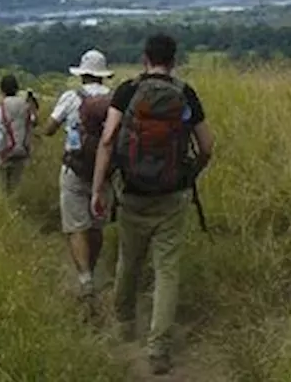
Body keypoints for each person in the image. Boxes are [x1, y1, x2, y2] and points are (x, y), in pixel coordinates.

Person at [91, 33, 216, 375]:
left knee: (128, 262)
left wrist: (98, 189)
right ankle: (158, 349)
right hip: (172, 197)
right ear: (173, 61)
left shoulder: (128, 91)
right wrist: (190, 174)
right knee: (167, 271)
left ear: (145, 58)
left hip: (132, 194)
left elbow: (106, 139)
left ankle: (124, 328)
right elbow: (206, 146)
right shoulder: (185, 94)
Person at [40, 49, 116, 300]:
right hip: (104, 173)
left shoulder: (71, 97)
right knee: (96, 227)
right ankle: (92, 270)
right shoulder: (115, 100)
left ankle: (85, 279)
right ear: (103, 76)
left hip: (74, 169)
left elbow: (49, 129)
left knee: (75, 227)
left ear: (82, 74)